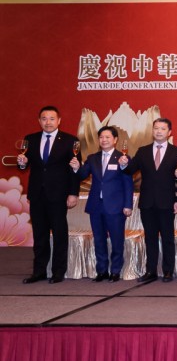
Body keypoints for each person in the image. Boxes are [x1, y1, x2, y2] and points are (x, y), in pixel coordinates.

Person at [18, 106, 80, 284]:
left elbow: (75, 169)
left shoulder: (70, 140)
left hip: (58, 195)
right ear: (39, 121)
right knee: (39, 235)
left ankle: (58, 271)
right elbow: (25, 165)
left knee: (60, 234)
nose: (48, 122)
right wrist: (22, 163)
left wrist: (73, 193)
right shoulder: (30, 139)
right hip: (37, 194)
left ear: (59, 120)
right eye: (44, 119)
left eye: (52, 119)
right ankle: (39, 271)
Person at [123, 118, 177, 283]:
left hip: (167, 201)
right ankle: (151, 271)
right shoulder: (143, 151)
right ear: (152, 131)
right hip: (147, 202)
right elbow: (130, 170)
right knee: (149, 238)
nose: (159, 131)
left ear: (169, 132)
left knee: (167, 237)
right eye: (156, 128)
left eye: (163, 129)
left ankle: (168, 271)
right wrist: (124, 164)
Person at [73, 126, 133, 283]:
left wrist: (128, 205)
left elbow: (128, 183)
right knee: (99, 240)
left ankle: (115, 270)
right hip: (96, 205)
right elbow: (82, 175)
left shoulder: (123, 158)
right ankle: (102, 270)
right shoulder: (93, 158)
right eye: (101, 137)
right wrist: (76, 168)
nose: (104, 140)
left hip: (116, 206)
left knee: (117, 240)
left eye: (107, 137)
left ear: (115, 139)